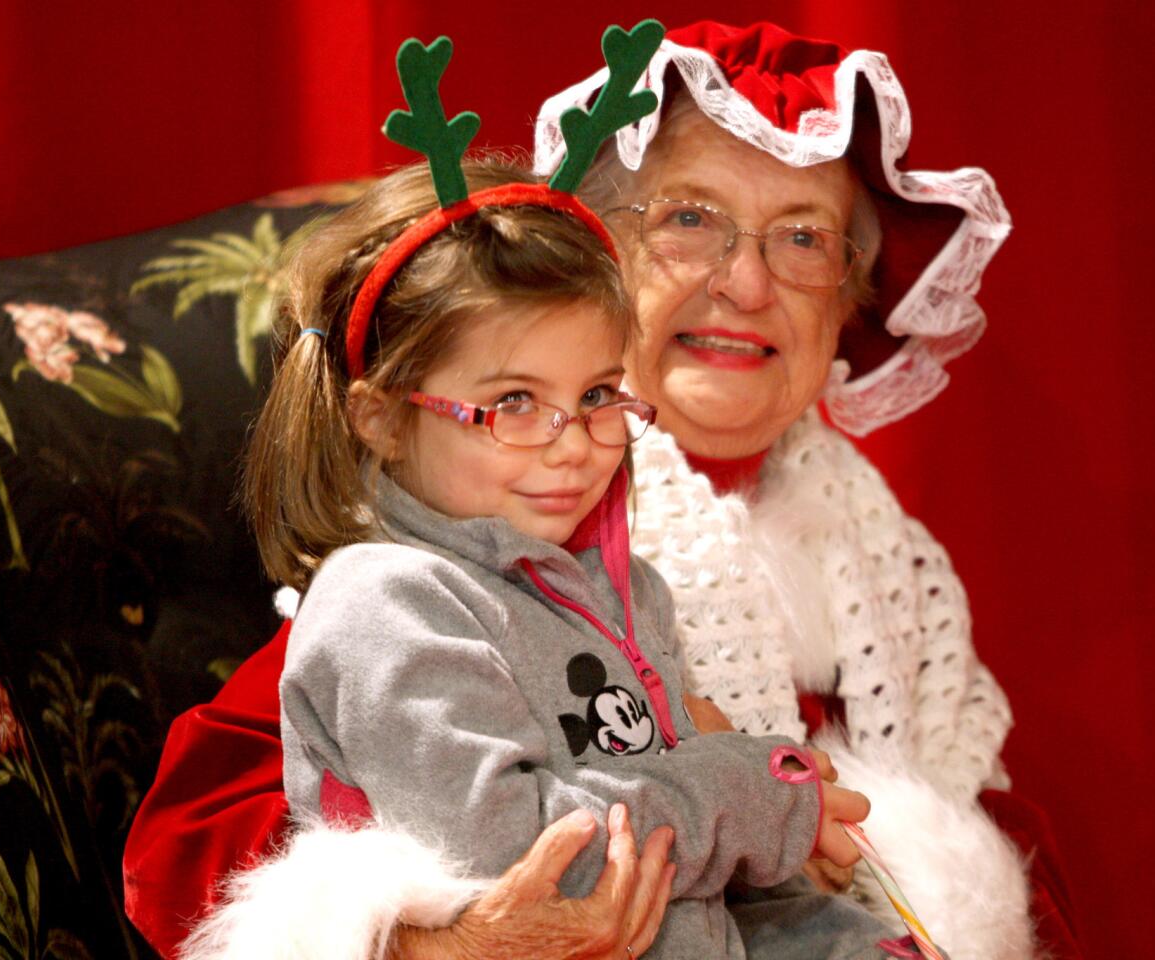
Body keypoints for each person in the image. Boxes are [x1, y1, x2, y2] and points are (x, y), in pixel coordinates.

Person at [125, 20, 1081, 960]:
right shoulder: (474, 537)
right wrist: (439, 941)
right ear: (595, 266)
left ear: (850, 300)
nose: (745, 284)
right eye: (690, 220)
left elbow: (1000, 858)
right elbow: (192, 847)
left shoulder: (887, 565)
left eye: (802, 238)